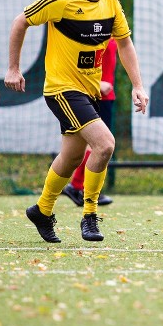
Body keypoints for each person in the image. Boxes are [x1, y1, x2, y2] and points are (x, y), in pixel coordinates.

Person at [5, 0, 148, 243]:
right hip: (61, 90)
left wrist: (138, 85)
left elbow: (124, 44)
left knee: (70, 158)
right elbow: (20, 22)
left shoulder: (111, 3)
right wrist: (13, 68)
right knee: (105, 145)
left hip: (89, 91)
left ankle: (42, 210)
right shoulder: (60, 0)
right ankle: (90, 215)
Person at [61, 37, 117, 207]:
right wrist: (97, 84)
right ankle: (83, 188)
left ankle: (78, 187)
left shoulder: (114, 32)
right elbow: (74, 64)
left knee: (91, 145)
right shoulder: (90, 33)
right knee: (97, 145)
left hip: (106, 96)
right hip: (95, 95)